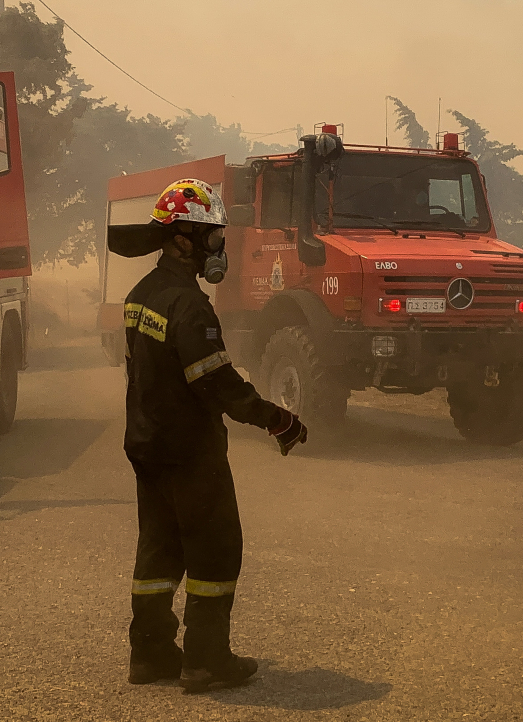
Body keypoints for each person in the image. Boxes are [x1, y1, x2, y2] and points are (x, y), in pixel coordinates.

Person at [107, 178, 308, 694]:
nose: (219, 246)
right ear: (182, 239)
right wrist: (276, 418)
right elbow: (215, 382)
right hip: (190, 452)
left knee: (158, 549)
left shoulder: (139, 296)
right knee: (215, 550)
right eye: (213, 236)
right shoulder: (189, 306)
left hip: (147, 445)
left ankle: (150, 655)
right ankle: (206, 661)